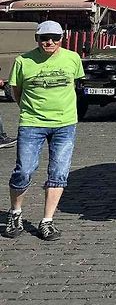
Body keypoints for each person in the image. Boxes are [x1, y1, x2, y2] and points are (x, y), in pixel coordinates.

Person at [2, 21, 84, 241]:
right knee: (24, 171)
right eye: (44, 38)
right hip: (31, 123)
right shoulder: (23, 61)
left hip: (65, 124)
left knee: (58, 172)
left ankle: (47, 221)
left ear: (62, 38)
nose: (49, 42)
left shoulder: (73, 59)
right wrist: (30, 112)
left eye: (54, 38)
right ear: (36, 39)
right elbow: (16, 91)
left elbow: (74, 85)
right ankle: (15, 213)